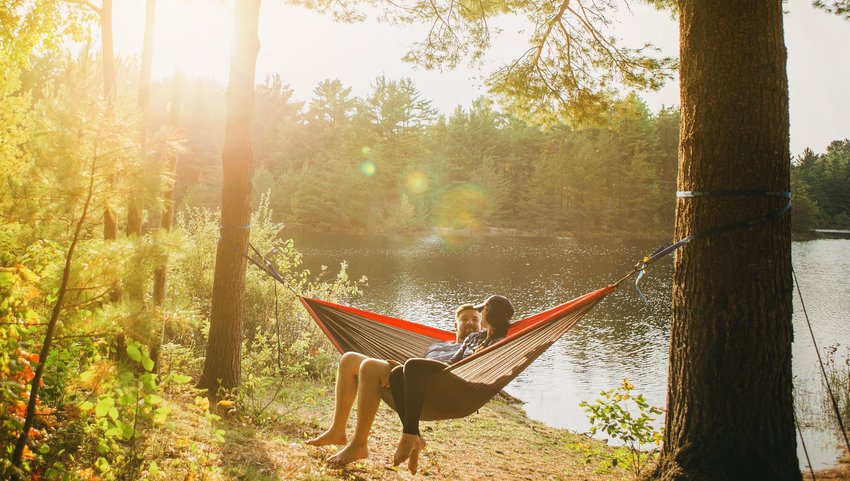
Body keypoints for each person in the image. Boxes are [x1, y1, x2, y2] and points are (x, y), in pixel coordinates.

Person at [306, 303, 483, 465]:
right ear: (455, 325)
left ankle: (359, 445)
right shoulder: (437, 345)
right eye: (464, 319)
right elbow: (418, 365)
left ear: (482, 326)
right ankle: (337, 431)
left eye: (475, 320)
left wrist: (482, 343)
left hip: (440, 392)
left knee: (369, 366)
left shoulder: (479, 347)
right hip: (410, 382)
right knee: (349, 359)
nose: (469, 322)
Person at [390, 294, 514, 474]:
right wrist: (440, 369)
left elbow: (497, 366)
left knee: (412, 365)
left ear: (492, 313)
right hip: (452, 372)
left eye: (484, 309)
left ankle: (409, 436)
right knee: (396, 374)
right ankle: (413, 435)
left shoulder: (500, 343)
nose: (480, 312)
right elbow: (455, 359)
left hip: (465, 385)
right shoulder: (474, 338)